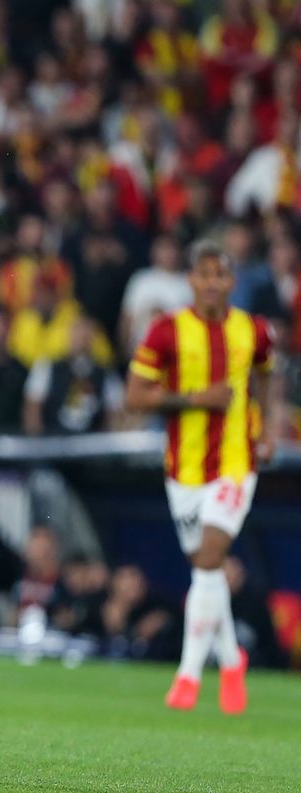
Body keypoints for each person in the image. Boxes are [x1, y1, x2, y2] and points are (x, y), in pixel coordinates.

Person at [126, 239, 282, 715]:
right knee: (205, 568)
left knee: (211, 555)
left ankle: (189, 675)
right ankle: (232, 659)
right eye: (204, 274)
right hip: (184, 469)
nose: (213, 283)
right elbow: (135, 397)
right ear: (191, 280)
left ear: (232, 282)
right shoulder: (166, 331)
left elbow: (268, 376)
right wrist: (195, 399)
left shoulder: (254, 330)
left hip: (236, 462)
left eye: (221, 275)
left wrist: (270, 425)